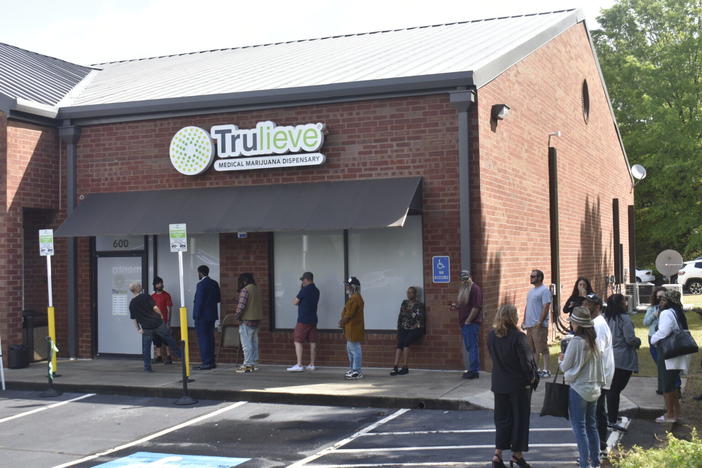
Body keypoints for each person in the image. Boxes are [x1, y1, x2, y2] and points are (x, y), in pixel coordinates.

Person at [488, 304, 538, 468]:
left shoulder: (491, 336)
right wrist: (532, 379)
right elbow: (527, 363)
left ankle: (498, 454)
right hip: (518, 386)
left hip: (499, 383)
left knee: (502, 420)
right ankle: (517, 455)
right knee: (520, 420)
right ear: (512, 317)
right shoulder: (519, 337)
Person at [560, 306, 605, 468]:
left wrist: (561, 359)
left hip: (579, 389)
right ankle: (596, 461)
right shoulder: (595, 341)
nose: (571, 324)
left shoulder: (576, 342)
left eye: (572, 321)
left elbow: (565, 366)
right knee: (591, 426)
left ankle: (584, 463)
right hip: (594, 389)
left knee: (579, 428)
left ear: (577, 324)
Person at [650, 290, 690, 422]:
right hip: (676, 354)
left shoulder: (666, 313)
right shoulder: (677, 312)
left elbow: (664, 331)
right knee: (672, 384)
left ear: (669, 302)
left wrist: (652, 339)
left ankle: (670, 415)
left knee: (667, 386)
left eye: (663, 300)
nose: (660, 302)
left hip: (667, 354)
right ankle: (677, 413)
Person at [583, 293, 614, 456]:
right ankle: (600, 445)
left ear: (597, 306)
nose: (586, 305)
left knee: (596, 412)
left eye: (589, 303)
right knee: (597, 411)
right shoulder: (594, 322)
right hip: (598, 374)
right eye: (585, 302)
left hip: (600, 375)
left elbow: (597, 351)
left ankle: (599, 446)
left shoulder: (598, 325)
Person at [605, 293, 640, 432]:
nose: (626, 303)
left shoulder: (605, 318)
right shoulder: (624, 319)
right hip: (622, 359)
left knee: (611, 389)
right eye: (624, 301)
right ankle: (612, 419)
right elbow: (630, 339)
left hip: (608, 357)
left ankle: (611, 416)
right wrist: (639, 341)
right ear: (620, 304)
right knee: (615, 390)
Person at [128, 282, 181, 372]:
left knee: (146, 347)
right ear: (136, 289)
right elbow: (155, 308)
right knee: (170, 339)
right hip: (157, 324)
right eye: (139, 286)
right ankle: (182, 357)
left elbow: (134, 318)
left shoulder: (132, 303)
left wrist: (138, 329)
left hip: (146, 328)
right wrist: (161, 315)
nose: (140, 286)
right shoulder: (146, 297)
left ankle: (147, 367)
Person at [450, 270, 483, 379]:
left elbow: (476, 307)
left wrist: (468, 321)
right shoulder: (464, 289)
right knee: (470, 347)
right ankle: (473, 370)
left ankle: (474, 371)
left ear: (470, 277)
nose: (465, 281)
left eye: (466, 278)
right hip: (465, 323)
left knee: (472, 347)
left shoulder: (475, 289)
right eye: (462, 279)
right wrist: (456, 306)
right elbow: (465, 305)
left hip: (471, 323)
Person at [287, 272, 320, 372]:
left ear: (307, 279)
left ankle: (299, 364)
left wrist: (301, 289)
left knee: (297, 340)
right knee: (312, 341)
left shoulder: (304, 290)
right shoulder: (316, 290)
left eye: (303, 280)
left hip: (303, 319)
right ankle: (312, 364)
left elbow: (295, 302)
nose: (302, 282)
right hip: (313, 319)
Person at [523, 270, 552, 378]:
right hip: (529, 325)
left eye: (533, 276)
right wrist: (524, 320)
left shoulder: (544, 290)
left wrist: (540, 321)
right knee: (533, 349)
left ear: (539, 278)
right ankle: (536, 369)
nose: (530, 278)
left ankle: (546, 370)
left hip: (539, 325)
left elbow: (546, 306)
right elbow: (527, 306)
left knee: (542, 348)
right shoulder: (531, 291)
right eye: (530, 276)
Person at [390, 286, 426, 376]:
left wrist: (413, 327)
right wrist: (399, 329)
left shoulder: (419, 305)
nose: (409, 294)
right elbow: (400, 317)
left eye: (411, 292)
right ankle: (395, 367)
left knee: (406, 342)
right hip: (404, 328)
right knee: (400, 343)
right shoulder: (404, 303)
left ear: (415, 294)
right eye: (408, 292)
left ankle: (405, 366)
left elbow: (421, 320)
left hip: (415, 329)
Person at [193, 265, 221, 370]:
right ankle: (211, 361)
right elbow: (218, 299)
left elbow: (199, 301)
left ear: (200, 273)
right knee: (210, 338)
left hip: (202, 316)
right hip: (211, 315)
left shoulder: (201, 285)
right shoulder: (214, 283)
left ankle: (206, 362)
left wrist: (196, 315)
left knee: (203, 340)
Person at [234, 273, 262, 374]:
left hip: (246, 320)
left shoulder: (245, 290)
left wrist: (236, 316)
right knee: (254, 343)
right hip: (257, 320)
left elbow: (241, 306)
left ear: (244, 281)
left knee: (246, 344)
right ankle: (253, 364)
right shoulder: (256, 289)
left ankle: (247, 365)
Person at [643, 287, 669, 394]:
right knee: (659, 364)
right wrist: (654, 315)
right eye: (658, 297)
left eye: (663, 297)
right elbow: (645, 322)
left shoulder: (669, 310)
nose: (660, 299)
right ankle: (661, 387)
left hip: (664, 339)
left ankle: (668, 388)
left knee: (665, 364)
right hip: (653, 338)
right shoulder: (652, 309)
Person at [339, 277, 365, 380]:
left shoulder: (355, 298)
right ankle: (353, 369)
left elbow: (350, 314)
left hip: (354, 328)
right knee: (351, 350)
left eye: (348, 286)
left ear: (353, 287)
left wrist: (342, 321)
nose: (346, 287)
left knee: (355, 350)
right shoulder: (354, 297)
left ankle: (357, 371)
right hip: (350, 329)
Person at [151, 276, 174, 364]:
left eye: (161, 283)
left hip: (164, 322)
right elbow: (151, 309)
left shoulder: (167, 295)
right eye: (158, 283)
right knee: (156, 340)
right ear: (155, 285)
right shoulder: (152, 296)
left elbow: (169, 309)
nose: (160, 285)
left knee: (166, 340)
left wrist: (168, 322)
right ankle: (159, 356)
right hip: (155, 323)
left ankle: (169, 357)